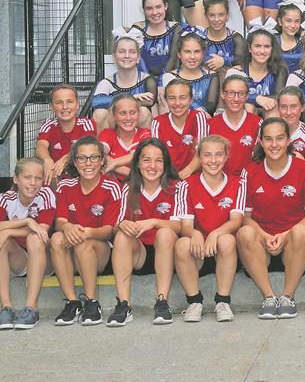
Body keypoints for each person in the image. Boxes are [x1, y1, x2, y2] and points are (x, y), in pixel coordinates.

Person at [238, 118, 305, 320]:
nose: (274, 145)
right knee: (244, 232)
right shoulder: (250, 171)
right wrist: (264, 236)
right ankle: (269, 297)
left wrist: (284, 235)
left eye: (280, 138)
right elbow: (245, 217)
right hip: (260, 245)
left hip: (292, 245)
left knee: (302, 231)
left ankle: (287, 297)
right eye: (269, 139)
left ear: (289, 140)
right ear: (261, 142)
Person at [51, 136, 124, 326]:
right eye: (82, 158)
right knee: (57, 238)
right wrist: (67, 227)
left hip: (99, 250)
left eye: (94, 157)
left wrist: (87, 233)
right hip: (72, 248)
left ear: (102, 161)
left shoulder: (112, 187)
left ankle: (92, 303)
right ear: (75, 162)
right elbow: (60, 221)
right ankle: (72, 302)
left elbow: (109, 231)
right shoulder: (65, 187)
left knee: (83, 242)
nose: (88, 163)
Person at [107, 138, 181, 326]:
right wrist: (122, 225)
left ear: (165, 164)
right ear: (138, 163)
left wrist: (155, 222)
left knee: (164, 233)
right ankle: (124, 304)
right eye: (146, 160)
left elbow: (182, 226)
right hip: (139, 253)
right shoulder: (128, 188)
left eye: (158, 160)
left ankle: (162, 301)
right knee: (122, 235)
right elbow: (115, 225)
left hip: (167, 251)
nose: (152, 166)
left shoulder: (178, 187)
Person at [174, 135, 244, 323]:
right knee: (182, 244)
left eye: (219, 155)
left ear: (227, 155)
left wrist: (215, 233)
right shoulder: (186, 185)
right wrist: (195, 233)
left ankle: (222, 301)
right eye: (207, 155)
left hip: (225, 251)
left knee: (226, 239)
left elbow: (236, 221)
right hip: (199, 251)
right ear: (199, 157)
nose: (213, 161)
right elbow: (185, 226)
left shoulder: (238, 183)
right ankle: (194, 301)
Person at [0, 158, 55, 330]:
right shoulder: (6, 198)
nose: (33, 183)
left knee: (34, 238)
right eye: (27, 177)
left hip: (43, 259)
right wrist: (27, 222)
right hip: (21, 260)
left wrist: (10, 230)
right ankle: (6, 307)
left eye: (38, 178)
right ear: (16, 179)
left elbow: (42, 231)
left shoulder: (46, 194)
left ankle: (31, 308)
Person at [91, 30, 156, 130]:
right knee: (99, 113)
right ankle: (103, 145)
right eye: (121, 52)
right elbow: (96, 102)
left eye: (132, 52)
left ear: (138, 57)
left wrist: (118, 102)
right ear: (114, 57)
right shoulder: (106, 83)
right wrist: (132, 98)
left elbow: (150, 101)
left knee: (143, 111)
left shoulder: (147, 80)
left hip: (137, 130)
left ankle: (145, 145)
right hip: (113, 128)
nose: (127, 56)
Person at [36, 84, 96, 185]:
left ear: (77, 105)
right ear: (51, 106)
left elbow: (88, 147)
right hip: (56, 176)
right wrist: (47, 159)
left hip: (81, 175)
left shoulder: (87, 124)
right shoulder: (49, 125)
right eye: (59, 102)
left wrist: (65, 159)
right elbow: (41, 146)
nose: (65, 107)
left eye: (70, 102)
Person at [151, 78, 209, 179]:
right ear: (166, 100)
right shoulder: (158, 123)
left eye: (182, 98)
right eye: (172, 98)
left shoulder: (198, 117)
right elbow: (157, 157)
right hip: (167, 179)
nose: (177, 103)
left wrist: (183, 175)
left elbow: (203, 151)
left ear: (191, 99)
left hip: (194, 178)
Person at [208, 73, 263, 175]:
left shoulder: (257, 123)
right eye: (231, 93)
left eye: (241, 94)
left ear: (247, 96)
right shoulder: (210, 124)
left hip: (248, 184)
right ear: (223, 94)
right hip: (220, 183)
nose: (236, 99)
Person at [161, 29, 219, 116]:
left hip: (202, 120)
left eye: (197, 51)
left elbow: (211, 104)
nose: (192, 57)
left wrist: (198, 112)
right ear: (179, 54)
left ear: (203, 53)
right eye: (187, 52)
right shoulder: (170, 77)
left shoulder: (211, 76)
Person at [130, 0, 181, 79]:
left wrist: (161, 81)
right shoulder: (138, 29)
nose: (154, 12)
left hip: (169, 81)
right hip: (143, 80)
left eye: (158, 7)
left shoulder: (175, 28)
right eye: (149, 8)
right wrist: (148, 82)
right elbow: (138, 60)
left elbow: (173, 59)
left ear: (165, 6)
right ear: (144, 10)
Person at [98, 95, 152, 183]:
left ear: (139, 114)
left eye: (133, 112)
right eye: (122, 113)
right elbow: (98, 154)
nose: (128, 118)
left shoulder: (145, 134)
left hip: (139, 186)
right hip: (114, 185)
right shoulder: (107, 134)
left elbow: (139, 155)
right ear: (114, 115)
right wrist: (128, 172)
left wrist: (113, 163)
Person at [241, 20, 288, 117]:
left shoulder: (280, 70)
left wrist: (257, 99)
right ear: (250, 48)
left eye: (266, 46)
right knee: (248, 107)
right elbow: (234, 95)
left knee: (273, 109)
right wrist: (257, 98)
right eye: (257, 46)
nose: (262, 51)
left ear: (272, 48)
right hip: (246, 112)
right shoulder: (240, 70)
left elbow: (279, 97)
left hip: (270, 112)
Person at [200, 0, 246, 75]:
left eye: (221, 15)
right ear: (206, 16)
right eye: (212, 15)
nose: (217, 19)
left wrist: (224, 61)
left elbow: (242, 59)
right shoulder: (200, 38)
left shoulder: (236, 38)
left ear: (227, 15)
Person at [277, 86, 305, 157]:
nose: (288, 112)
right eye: (284, 107)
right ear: (278, 107)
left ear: (302, 107)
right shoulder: (268, 131)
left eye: (293, 106)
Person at [276, 0, 305, 74]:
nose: (293, 25)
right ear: (280, 21)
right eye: (288, 21)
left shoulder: (304, 41)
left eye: (297, 21)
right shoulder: (272, 41)